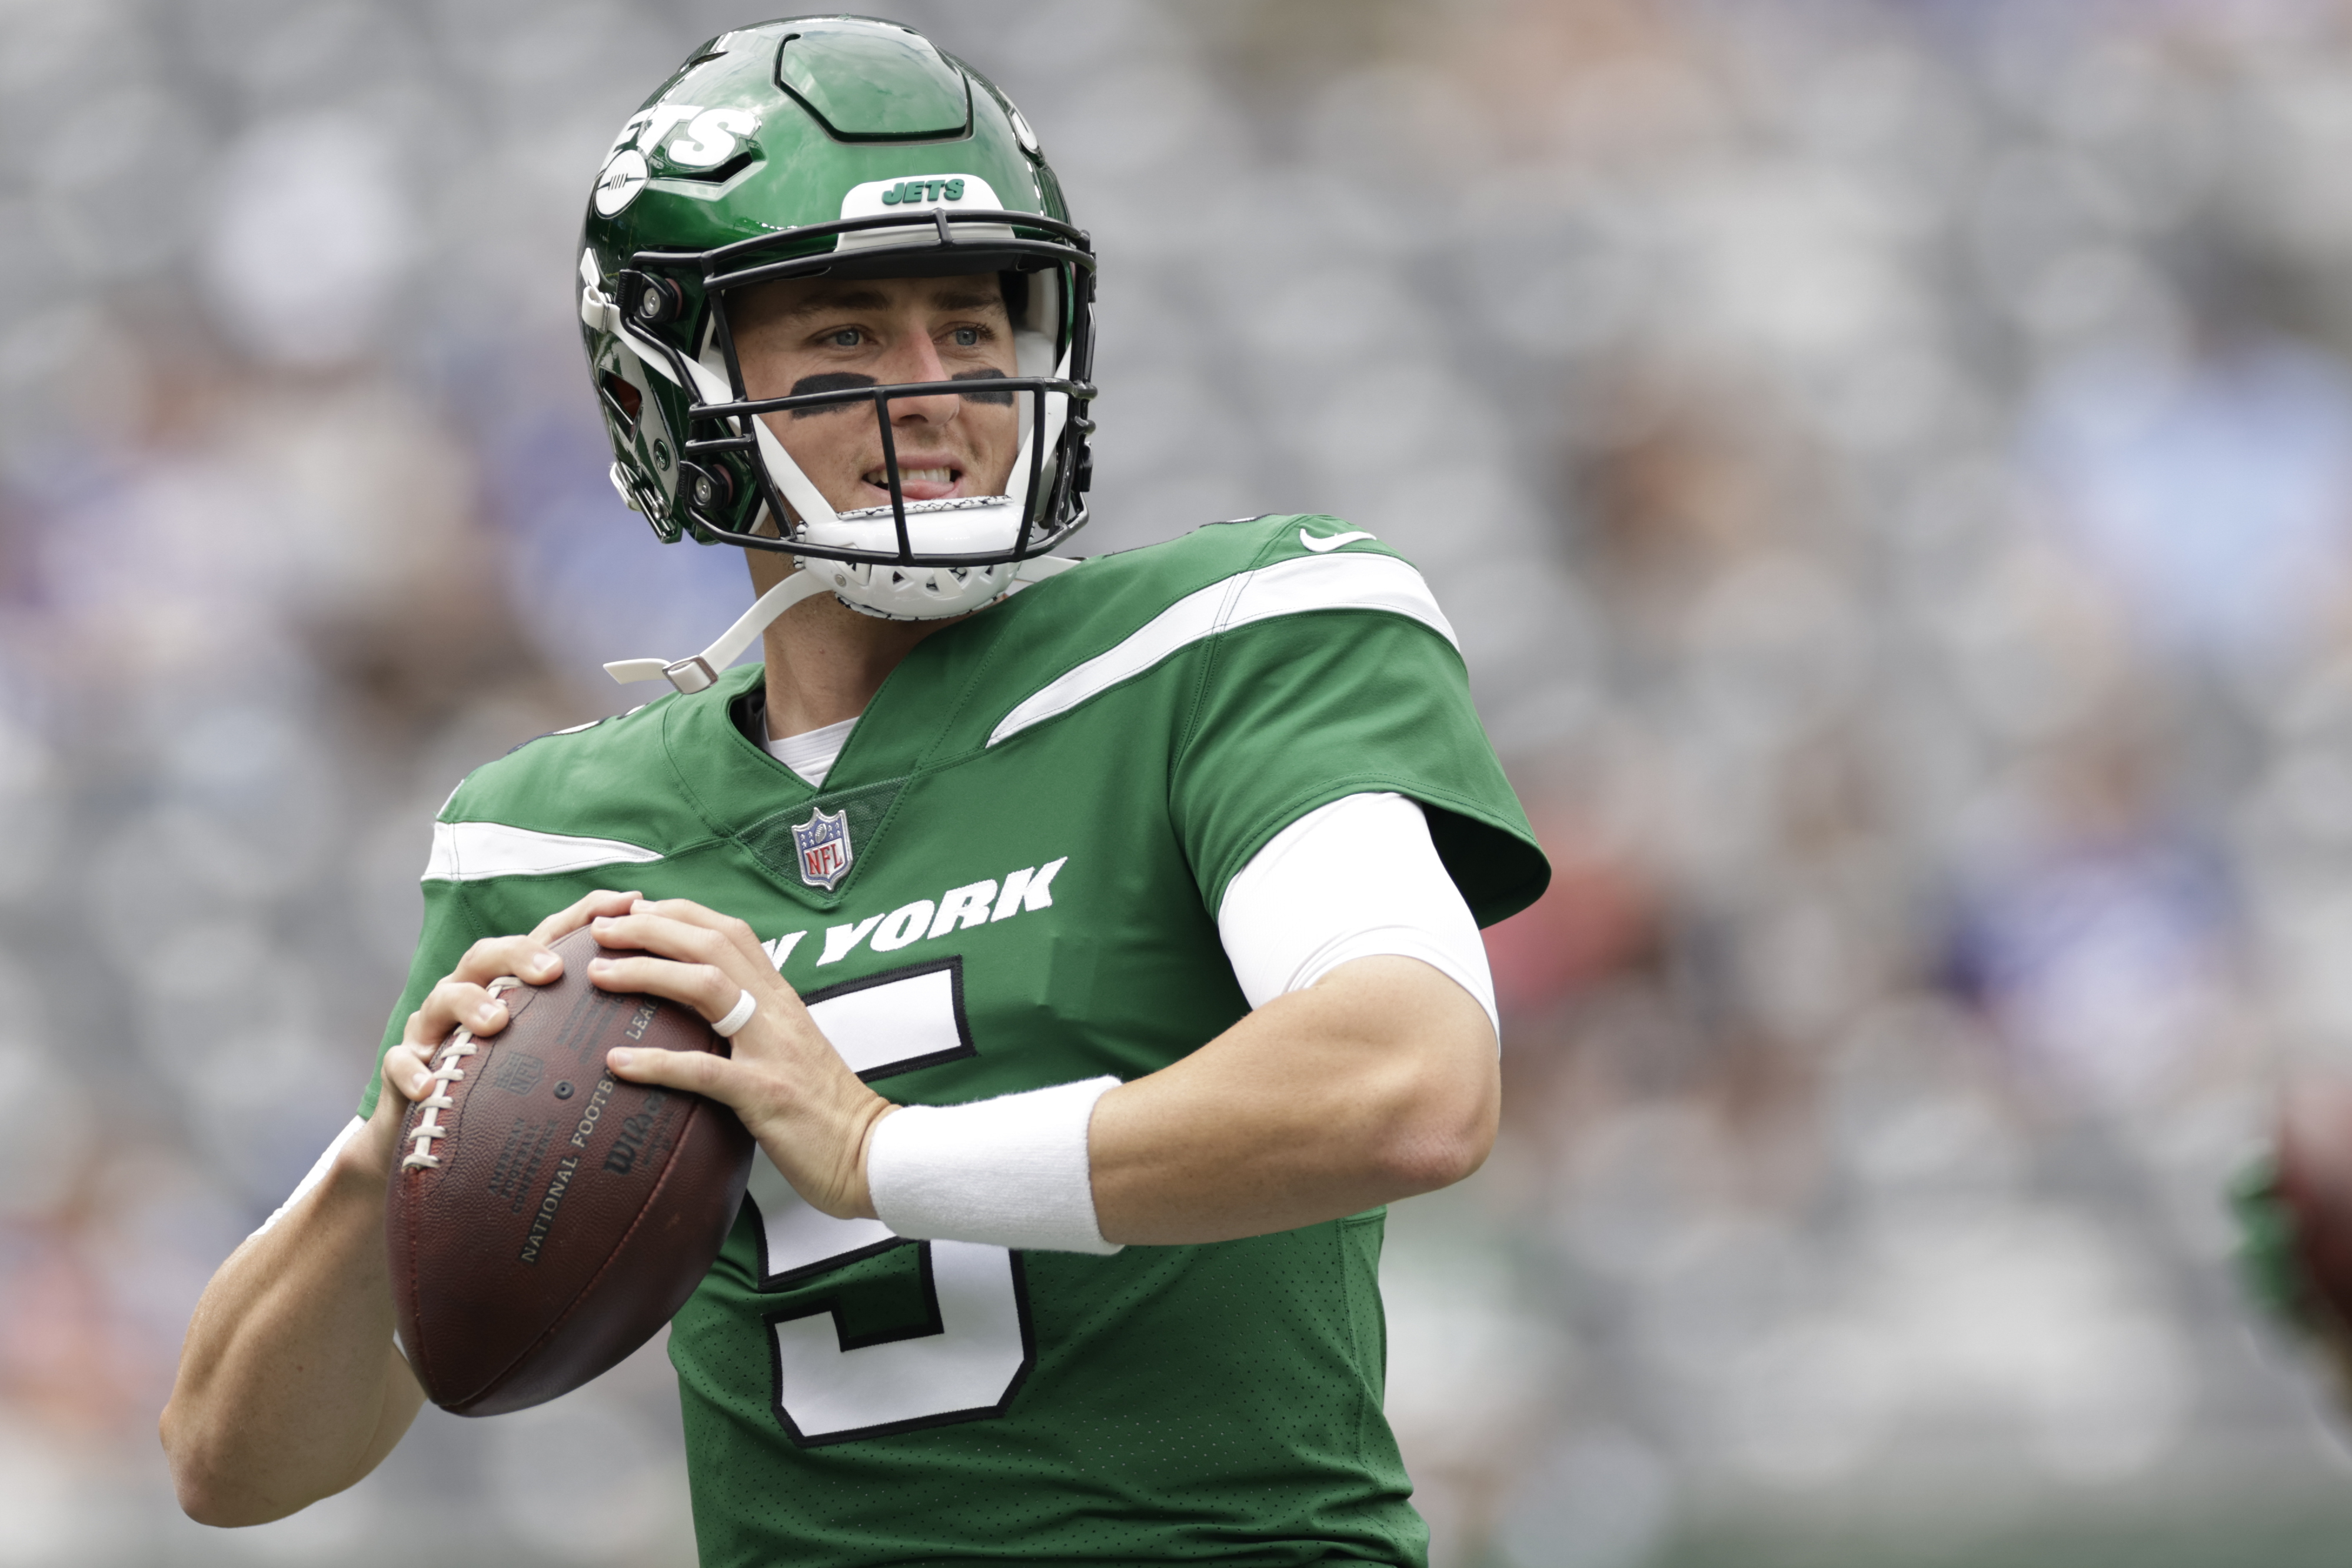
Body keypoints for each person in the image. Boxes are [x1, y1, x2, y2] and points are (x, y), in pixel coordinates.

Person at [161, 17, 1548, 1566]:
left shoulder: (1228, 639)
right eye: (846, 343)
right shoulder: (552, 835)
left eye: (971, 328)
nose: (937, 392)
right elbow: (231, 1460)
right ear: (665, 386)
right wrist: (389, 1156)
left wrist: (879, 1153)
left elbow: (1409, 1085)